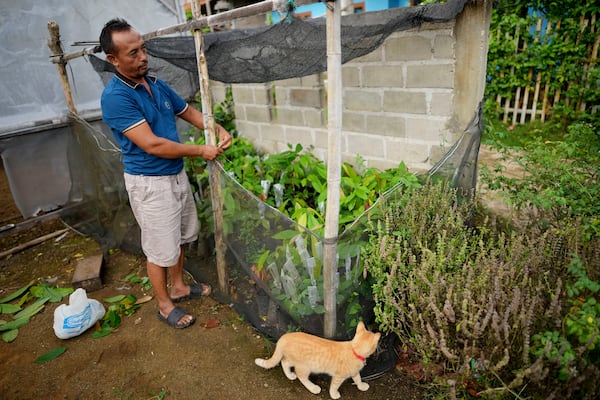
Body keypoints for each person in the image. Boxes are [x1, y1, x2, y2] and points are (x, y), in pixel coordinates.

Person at [99, 18, 232, 329]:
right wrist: (201, 150)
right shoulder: (117, 97)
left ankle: (179, 286)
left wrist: (216, 128)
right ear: (113, 59)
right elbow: (153, 144)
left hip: (174, 174)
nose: (142, 57)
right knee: (159, 248)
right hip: (150, 182)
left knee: (181, 236)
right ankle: (163, 304)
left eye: (143, 49)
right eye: (132, 53)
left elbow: (187, 112)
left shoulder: (156, 84)